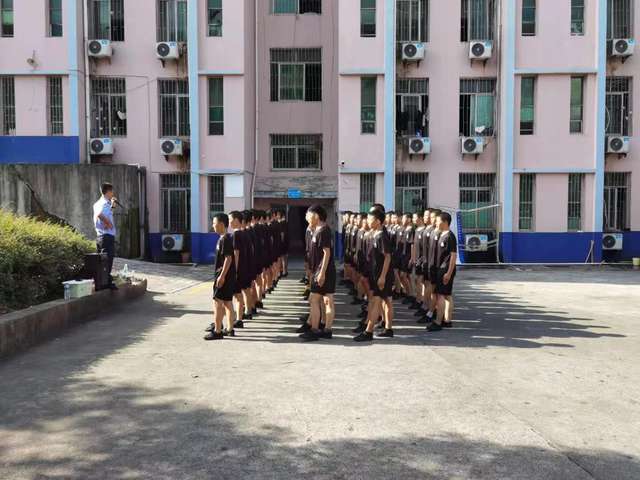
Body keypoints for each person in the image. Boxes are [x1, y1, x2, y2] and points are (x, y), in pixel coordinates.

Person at [354, 206, 394, 342]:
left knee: (376, 301)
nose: (368, 221)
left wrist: (382, 277)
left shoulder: (382, 236)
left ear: (378, 221)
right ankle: (388, 329)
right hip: (375, 274)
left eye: (370, 219)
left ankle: (369, 331)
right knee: (386, 301)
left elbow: (387, 257)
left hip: (382, 275)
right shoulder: (374, 234)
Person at [299, 205, 336, 341]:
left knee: (316, 299)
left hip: (323, 271)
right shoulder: (317, 230)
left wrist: (322, 273)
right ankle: (326, 330)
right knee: (325, 300)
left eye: (308, 215)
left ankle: (315, 330)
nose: (306, 217)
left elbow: (327, 253)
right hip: (320, 270)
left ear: (316, 215)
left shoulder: (323, 231)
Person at [204, 213, 237, 341]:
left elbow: (228, 259)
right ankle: (230, 329)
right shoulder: (223, 238)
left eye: (214, 223)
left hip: (223, 276)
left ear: (222, 224)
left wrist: (222, 276)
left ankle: (218, 331)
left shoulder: (225, 239)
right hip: (226, 275)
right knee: (228, 302)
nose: (213, 226)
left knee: (218, 302)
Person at [428, 211, 457, 332]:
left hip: (445, 270)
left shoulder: (450, 236)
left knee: (441, 295)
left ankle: (438, 322)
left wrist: (449, 273)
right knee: (446, 295)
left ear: (445, 222)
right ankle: (447, 320)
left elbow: (453, 256)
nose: (436, 223)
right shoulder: (441, 234)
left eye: (438, 221)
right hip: (440, 269)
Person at [93, 182, 118, 290]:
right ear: (108, 192)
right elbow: (100, 214)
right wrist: (108, 224)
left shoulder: (104, 203)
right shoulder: (102, 203)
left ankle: (105, 282)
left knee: (105, 261)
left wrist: (112, 206)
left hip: (104, 236)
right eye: (112, 191)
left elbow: (107, 213)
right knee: (106, 261)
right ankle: (105, 283)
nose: (113, 194)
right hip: (105, 236)